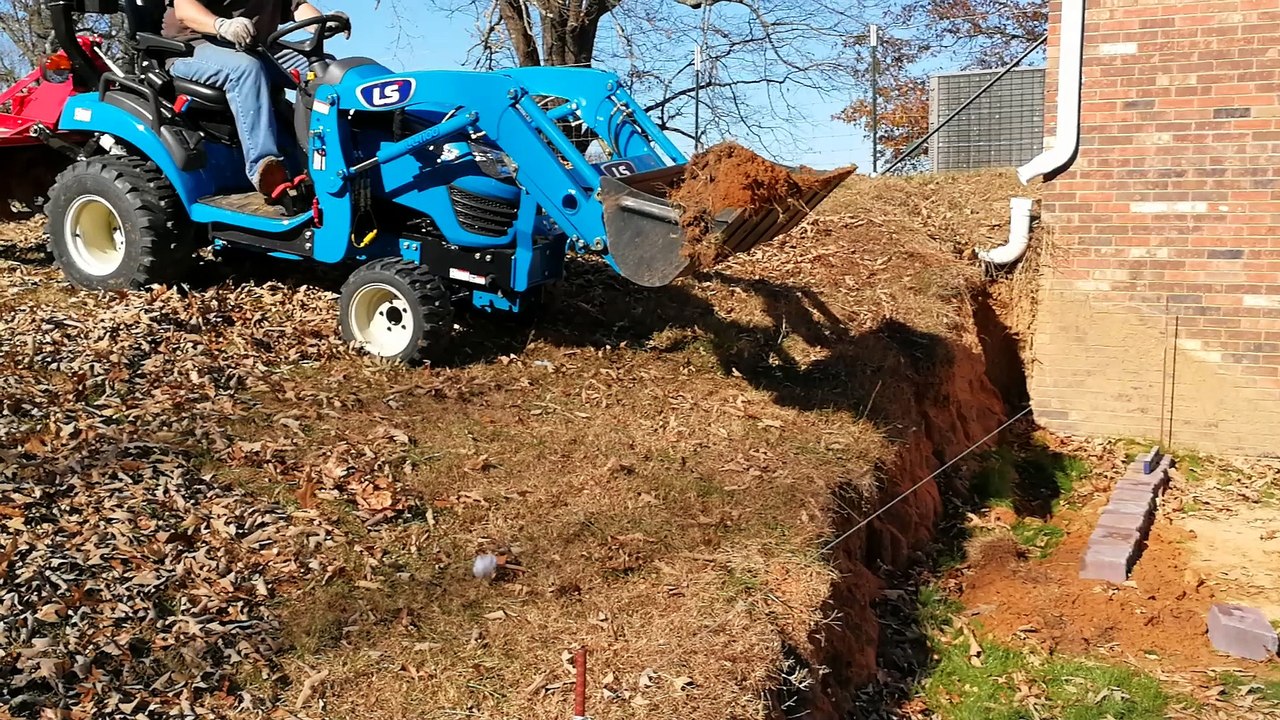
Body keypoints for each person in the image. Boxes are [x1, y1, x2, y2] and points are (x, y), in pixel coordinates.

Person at [162, 0, 350, 197]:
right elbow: (185, 9)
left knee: (329, 71)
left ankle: (338, 154)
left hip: (255, 47)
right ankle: (265, 166)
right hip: (192, 47)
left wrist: (323, 22)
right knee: (246, 69)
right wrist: (222, 25)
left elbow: (296, 7)